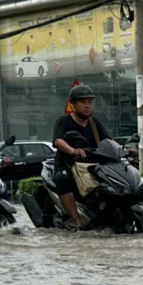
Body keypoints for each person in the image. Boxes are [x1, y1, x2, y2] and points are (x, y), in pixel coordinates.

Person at [50, 84, 107, 229]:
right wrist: (72, 150)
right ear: (73, 104)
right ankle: (77, 221)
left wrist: (124, 149)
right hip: (67, 165)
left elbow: (108, 140)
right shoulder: (63, 121)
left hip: (91, 166)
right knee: (62, 179)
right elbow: (58, 140)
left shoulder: (95, 123)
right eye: (83, 102)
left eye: (89, 102)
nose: (87, 106)